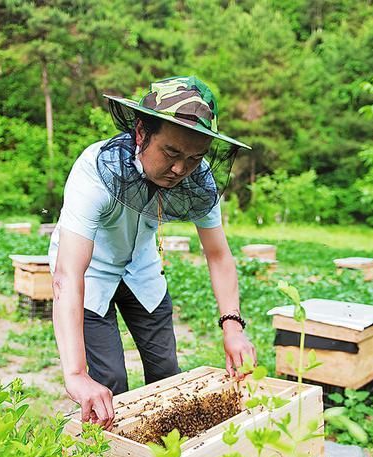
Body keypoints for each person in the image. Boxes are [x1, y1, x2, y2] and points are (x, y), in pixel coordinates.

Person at [49, 76, 257, 429]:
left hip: (141, 267)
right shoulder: (94, 171)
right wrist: (76, 374)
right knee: (109, 383)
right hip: (90, 273)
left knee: (166, 371)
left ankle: (169, 453)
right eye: (171, 153)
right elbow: (69, 274)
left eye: (194, 158)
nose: (180, 169)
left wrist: (232, 325)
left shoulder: (198, 179)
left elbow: (218, 255)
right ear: (141, 132)